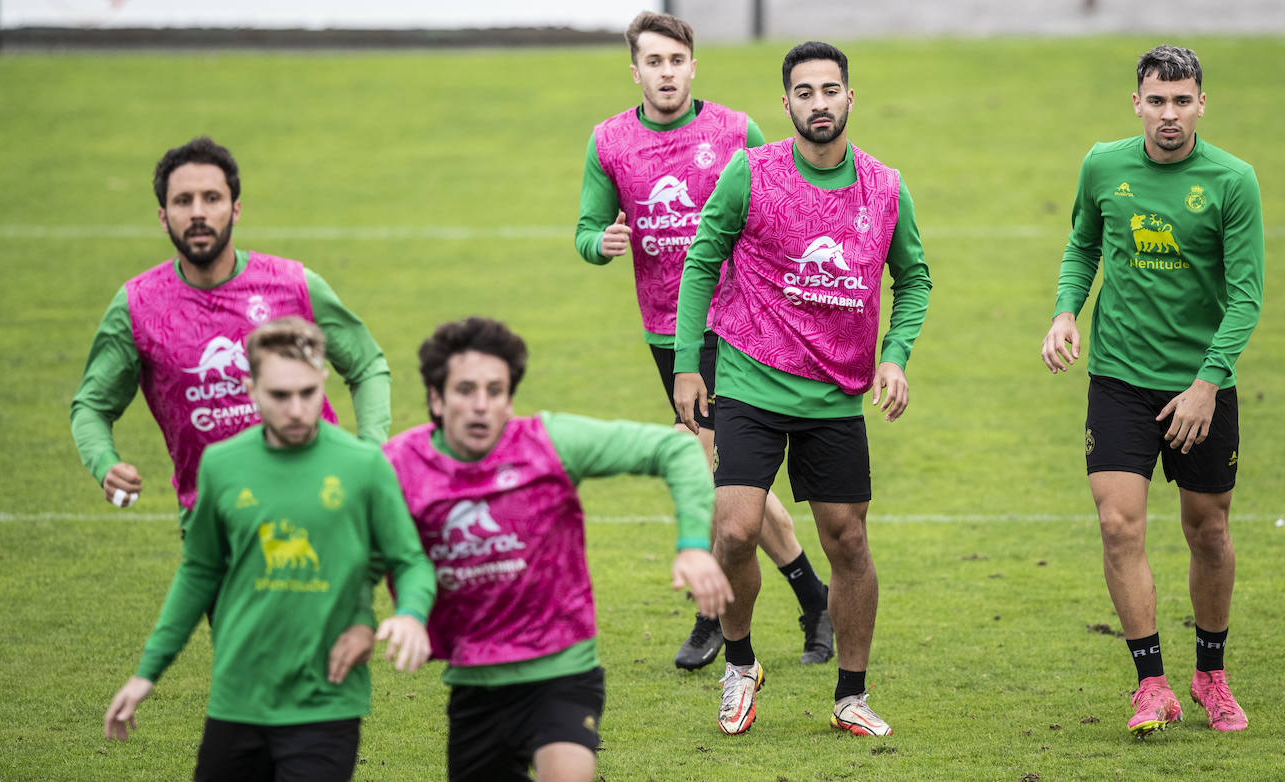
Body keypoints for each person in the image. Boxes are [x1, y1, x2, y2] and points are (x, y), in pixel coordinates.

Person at [673, 41, 932, 737]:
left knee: (847, 543)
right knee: (734, 530)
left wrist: (896, 357)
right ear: (786, 104)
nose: (820, 103)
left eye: (831, 90)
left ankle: (850, 695)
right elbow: (701, 259)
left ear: (851, 98)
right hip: (751, 384)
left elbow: (915, 279)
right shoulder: (749, 174)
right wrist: (687, 365)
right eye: (805, 92)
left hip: (834, 397)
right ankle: (740, 664)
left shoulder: (884, 185)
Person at [575, 10, 833, 671]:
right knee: (727, 478)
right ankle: (813, 597)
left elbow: (776, 205)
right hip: (665, 333)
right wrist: (596, 244)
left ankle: (712, 614)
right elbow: (584, 227)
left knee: (722, 478)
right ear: (635, 71)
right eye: (653, 63)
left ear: (694, 66)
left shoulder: (735, 130)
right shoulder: (609, 142)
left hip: (735, 325)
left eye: (676, 61)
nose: (666, 73)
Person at [71, 136, 390, 661]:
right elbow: (92, 405)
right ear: (162, 215)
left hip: (317, 504)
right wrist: (104, 463)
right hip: (218, 523)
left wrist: (371, 447)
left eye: (211, 199)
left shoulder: (293, 285)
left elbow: (367, 364)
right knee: (252, 667)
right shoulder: (138, 306)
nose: (198, 213)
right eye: (183, 201)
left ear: (235, 208)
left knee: (313, 666)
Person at [383, 317, 732, 781]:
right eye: (465, 390)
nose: (481, 406)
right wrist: (402, 613)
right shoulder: (399, 465)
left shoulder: (547, 443)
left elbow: (676, 451)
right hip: (474, 680)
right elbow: (371, 548)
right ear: (435, 397)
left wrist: (693, 545)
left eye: (496, 390)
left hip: (561, 666)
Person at [103, 317, 436, 781]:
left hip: (327, 701)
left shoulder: (364, 466)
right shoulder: (221, 465)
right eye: (280, 395)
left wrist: (410, 614)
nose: (297, 409)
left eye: (308, 393)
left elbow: (409, 560)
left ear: (323, 384)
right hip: (238, 700)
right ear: (250, 389)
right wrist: (147, 673)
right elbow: (199, 572)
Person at [1040, 45, 1263, 737]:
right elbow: (1083, 245)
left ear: (1202, 103)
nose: (1170, 114)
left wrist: (1207, 383)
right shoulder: (1104, 164)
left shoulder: (1232, 181)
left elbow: (1246, 296)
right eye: (1157, 100)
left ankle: (1211, 675)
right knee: (1117, 525)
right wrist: (1064, 310)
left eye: (1182, 100)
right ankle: (1152, 685)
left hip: (1201, 386)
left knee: (1209, 530)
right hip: (1119, 378)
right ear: (1136, 102)